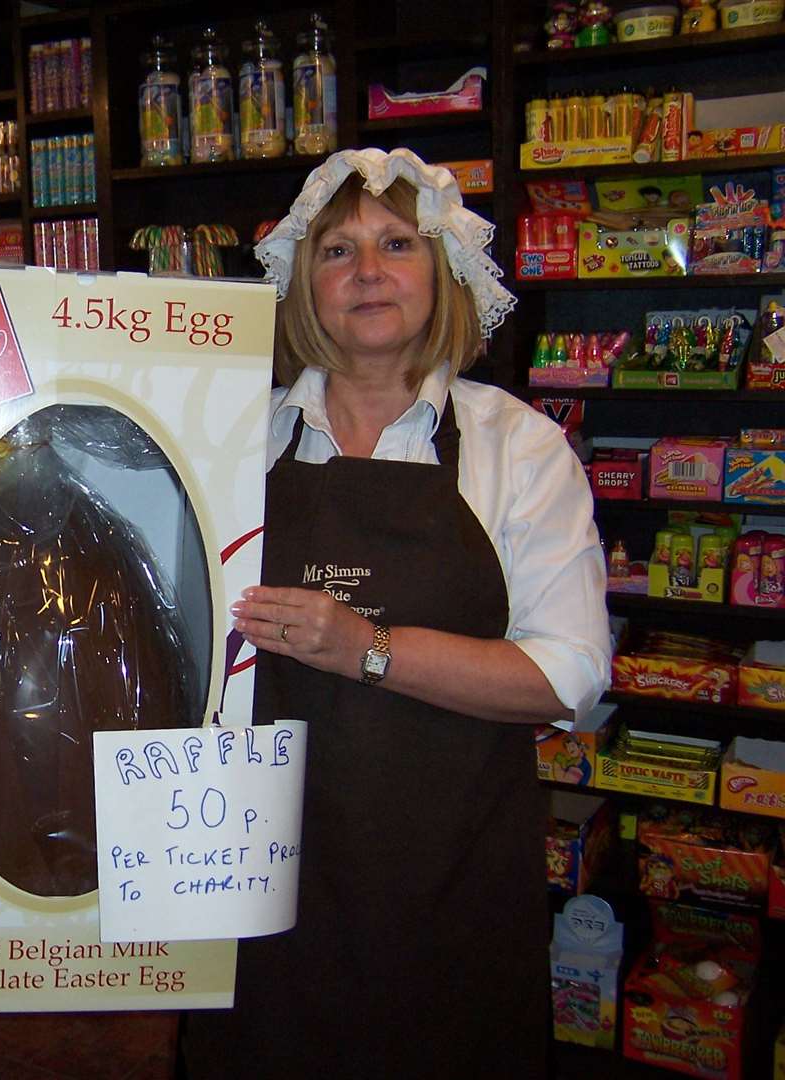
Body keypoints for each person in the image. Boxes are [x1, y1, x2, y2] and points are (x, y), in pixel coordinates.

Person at [180, 148, 610, 1078]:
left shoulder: (518, 448)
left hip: (449, 873)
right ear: (303, 285)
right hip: (263, 875)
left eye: (397, 244)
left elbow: (567, 673)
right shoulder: (233, 440)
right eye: (336, 251)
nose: (367, 272)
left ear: (443, 271)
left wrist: (367, 647)